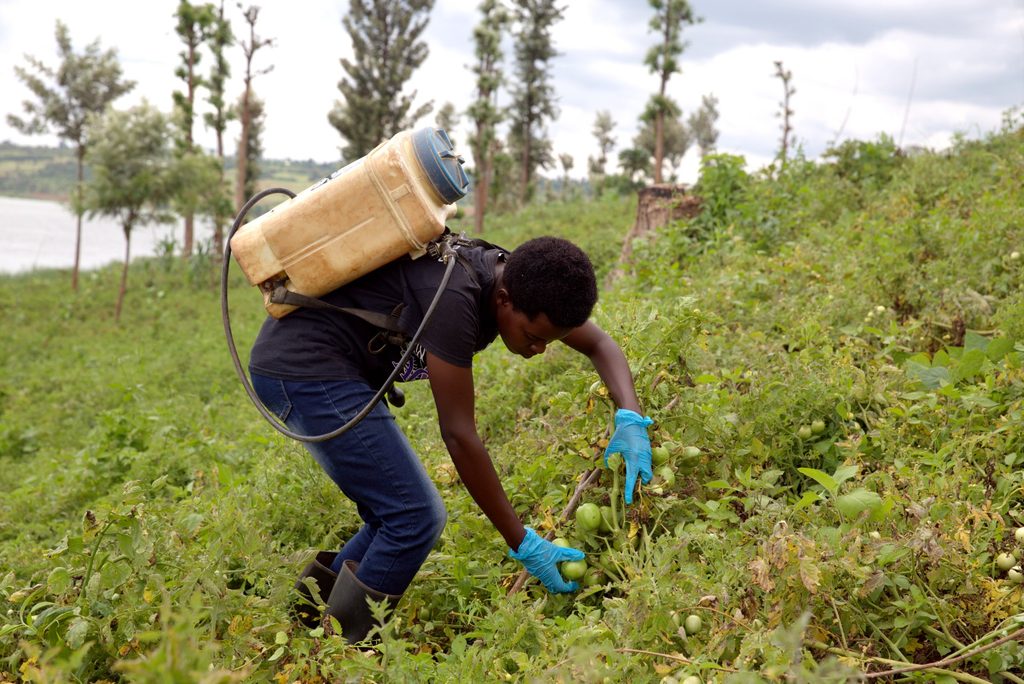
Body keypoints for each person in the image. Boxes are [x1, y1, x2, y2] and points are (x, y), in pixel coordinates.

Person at [247, 235, 653, 643]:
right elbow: (459, 436)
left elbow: (599, 344)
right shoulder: (456, 301)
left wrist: (630, 417)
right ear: (505, 301)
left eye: (548, 339)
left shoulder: (525, 284)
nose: (539, 349)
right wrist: (523, 542)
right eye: (533, 336)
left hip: (328, 368)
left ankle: (299, 630)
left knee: (392, 515)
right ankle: (337, 654)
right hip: (303, 370)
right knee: (414, 517)